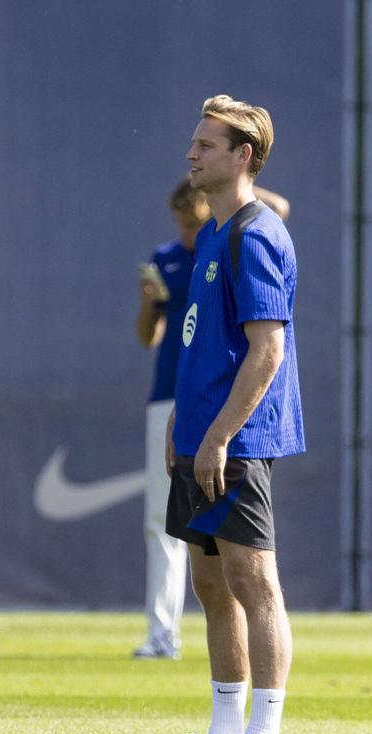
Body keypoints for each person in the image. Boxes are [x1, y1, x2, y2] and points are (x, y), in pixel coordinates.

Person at [147, 95, 303, 734]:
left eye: (206, 145)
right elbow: (198, 339)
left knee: (253, 582)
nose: (191, 154)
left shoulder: (255, 234)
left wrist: (217, 437)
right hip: (199, 438)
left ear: (243, 156)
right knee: (210, 586)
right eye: (194, 142)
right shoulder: (212, 232)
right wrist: (185, 422)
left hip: (237, 442)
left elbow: (266, 351)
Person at [133, 181, 289, 661]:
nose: (184, 227)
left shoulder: (238, 234)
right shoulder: (173, 255)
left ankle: (261, 724)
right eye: (178, 219)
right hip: (176, 395)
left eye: (190, 217)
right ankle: (162, 634)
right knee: (167, 526)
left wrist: (234, 179)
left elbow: (277, 209)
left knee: (245, 568)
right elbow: (149, 335)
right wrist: (147, 301)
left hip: (228, 402)